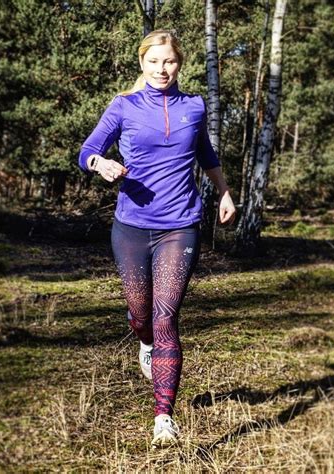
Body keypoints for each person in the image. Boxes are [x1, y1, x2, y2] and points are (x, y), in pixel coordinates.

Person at [78, 30, 236, 448]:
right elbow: (87, 149)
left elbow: (206, 154)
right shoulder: (124, 106)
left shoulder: (195, 106)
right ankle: (144, 342)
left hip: (180, 225)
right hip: (131, 225)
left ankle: (163, 416)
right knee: (140, 314)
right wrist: (100, 163)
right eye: (153, 62)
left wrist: (224, 191)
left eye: (169, 62)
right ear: (142, 63)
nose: (161, 70)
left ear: (179, 63)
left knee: (166, 316)